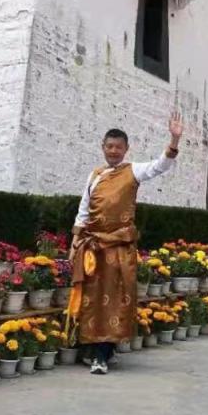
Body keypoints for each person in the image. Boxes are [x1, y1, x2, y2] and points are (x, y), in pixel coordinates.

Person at [68, 114, 184, 374]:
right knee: (93, 300)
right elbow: (84, 210)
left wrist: (174, 139)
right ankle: (97, 349)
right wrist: (75, 241)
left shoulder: (133, 170)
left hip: (119, 248)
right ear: (103, 147)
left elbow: (160, 165)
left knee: (115, 300)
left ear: (126, 149)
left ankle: (102, 355)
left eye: (118, 147)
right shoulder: (95, 175)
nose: (113, 151)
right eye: (109, 146)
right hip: (94, 247)